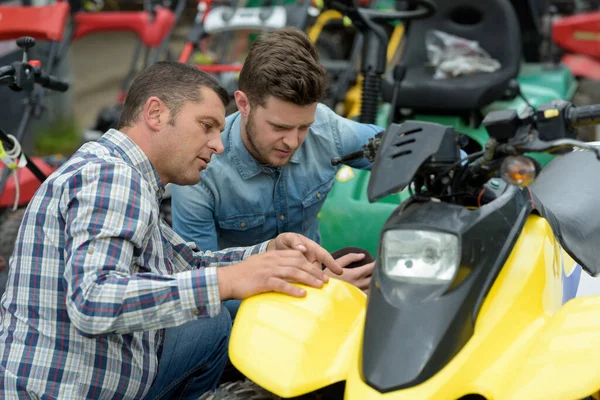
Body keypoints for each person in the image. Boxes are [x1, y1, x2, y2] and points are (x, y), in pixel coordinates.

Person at [0, 61, 342, 400]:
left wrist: (265, 255)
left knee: (211, 324)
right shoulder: (114, 177)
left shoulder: (122, 173)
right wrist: (228, 282)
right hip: (58, 391)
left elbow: (186, 263)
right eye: (206, 126)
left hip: (86, 378)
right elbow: (92, 302)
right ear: (155, 113)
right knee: (214, 318)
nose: (218, 145)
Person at [170, 28, 382, 316]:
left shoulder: (326, 129)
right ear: (244, 104)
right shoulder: (201, 173)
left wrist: (455, 161)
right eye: (280, 128)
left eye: (304, 127)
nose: (293, 142)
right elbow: (203, 293)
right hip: (244, 310)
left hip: (310, 278)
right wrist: (316, 288)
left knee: (362, 265)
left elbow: (399, 148)